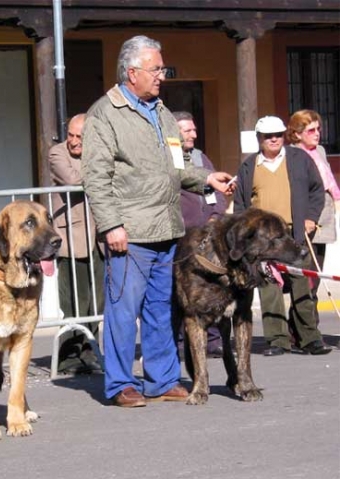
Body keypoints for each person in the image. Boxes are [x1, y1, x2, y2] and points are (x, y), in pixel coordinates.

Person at [81, 35, 234, 407]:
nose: (161, 76)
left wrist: (205, 179)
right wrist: (111, 224)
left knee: (161, 309)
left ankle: (162, 379)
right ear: (132, 73)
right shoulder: (106, 113)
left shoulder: (163, 113)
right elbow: (95, 177)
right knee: (123, 311)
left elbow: (176, 167)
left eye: (162, 69)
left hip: (167, 229)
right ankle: (119, 384)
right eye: (155, 69)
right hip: (130, 232)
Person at [233, 115, 331, 356]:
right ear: (259, 139)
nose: (274, 139)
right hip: (264, 241)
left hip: (294, 233)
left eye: (278, 134)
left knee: (303, 286)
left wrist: (310, 218)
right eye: (268, 136)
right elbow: (241, 205)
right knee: (269, 288)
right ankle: (277, 340)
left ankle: (309, 338)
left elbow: (317, 190)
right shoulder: (249, 166)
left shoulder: (299, 159)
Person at [49, 113, 104, 374]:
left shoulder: (98, 151)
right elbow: (72, 180)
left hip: (100, 237)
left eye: (79, 136)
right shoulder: (57, 153)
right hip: (72, 237)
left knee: (98, 301)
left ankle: (89, 351)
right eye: (70, 134)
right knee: (73, 301)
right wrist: (100, 173)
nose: (72, 141)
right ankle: (68, 356)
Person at [172, 111, 227, 358]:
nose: (194, 134)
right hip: (181, 236)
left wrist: (216, 215)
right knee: (183, 290)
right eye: (187, 130)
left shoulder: (201, 158)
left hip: (207, 235)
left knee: (210, 285)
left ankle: (212, 339)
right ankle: (182, 341)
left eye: (194, 129)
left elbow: (213, 192)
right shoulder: (172, 160)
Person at [286, 110, 340, 325]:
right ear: (297, 134)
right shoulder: (293, 155)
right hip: (307, 222)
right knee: (305, 281)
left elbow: (327, 185)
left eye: (318, 129)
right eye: (310, 130)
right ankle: (304, 329)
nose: (316, 134)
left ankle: (309, 328)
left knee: (316, 278)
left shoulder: (320, 151)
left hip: (324, 222)